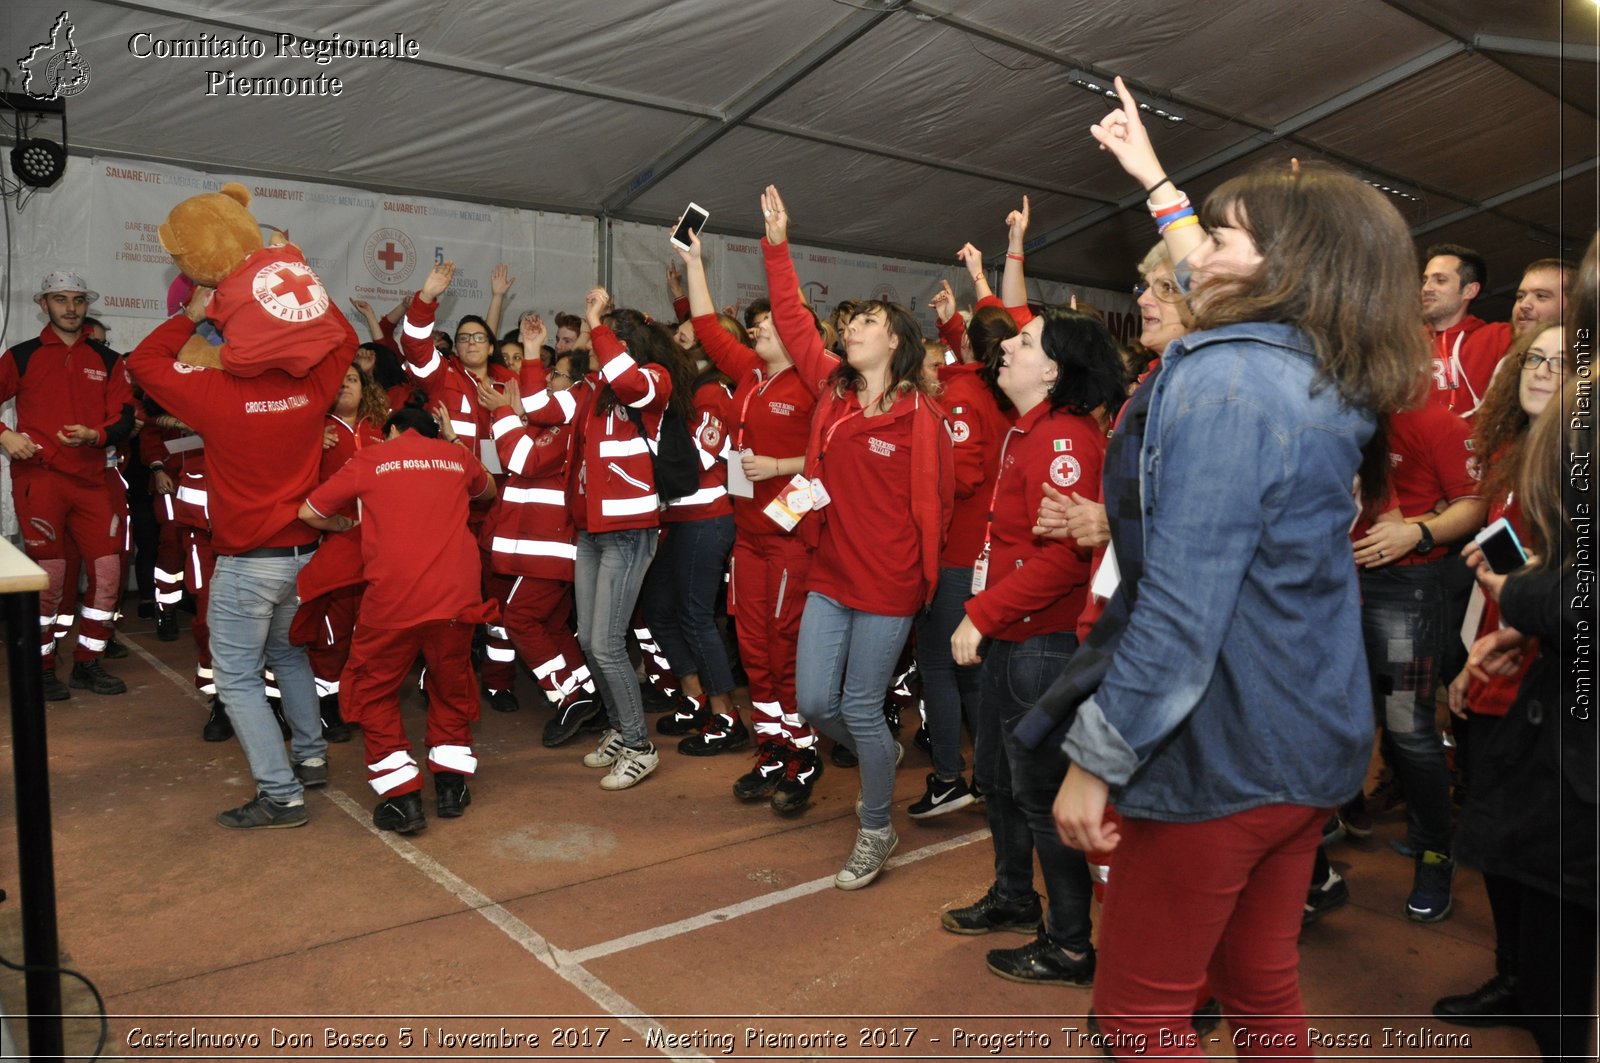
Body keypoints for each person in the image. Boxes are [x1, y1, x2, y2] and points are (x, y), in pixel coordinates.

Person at [1030, 77, 1425, 1055]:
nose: (1197, 251)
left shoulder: (1224, 383)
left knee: (1139, 1015)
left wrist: (1095, 758)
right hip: (1307, 741)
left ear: (1285, 266)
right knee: (1258, 985)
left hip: (1223, 749)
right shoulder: (1320, 363)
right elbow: (1218, 276)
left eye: (1223, 236)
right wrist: (1152, 176)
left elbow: (1181, 607)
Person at [760, 185, 954, 888]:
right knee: (817, 703)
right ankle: (879, 751)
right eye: (851, 322)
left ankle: (876, 825)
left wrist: (924, 581)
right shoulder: (834, 393)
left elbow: (938, 504)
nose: (852, 329)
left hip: (890, 585)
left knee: (863, 707)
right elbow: (791, 317)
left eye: (868, 320)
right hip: (832, 574)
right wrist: (779, 245)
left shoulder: (921, 420)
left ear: (894, 340)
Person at [1435, 233, 1596, 1060]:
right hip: (1509, 660)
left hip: (1554, 682)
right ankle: (1521, 982)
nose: (1538, 366)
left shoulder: (1578, 460)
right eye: (1527, 358)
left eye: (1557, 357)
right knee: (1502, 842)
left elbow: (1564, 585)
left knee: (1552, 872)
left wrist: (1520, 604)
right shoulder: (1512, 457)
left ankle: (1555, 1014)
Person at [127, 268, 357, 830]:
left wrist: (194, 311)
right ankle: (310, 757)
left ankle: (281, 794)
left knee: (236, 678)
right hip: (303, 556)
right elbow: (345, 338)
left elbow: (143, 363)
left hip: (249, 563)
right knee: (288, 655)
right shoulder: (312, 388)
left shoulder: (216, 394)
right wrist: (298, 278)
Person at [945, 306, 1122, 986]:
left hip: (1039, 641)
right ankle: (1015, 895)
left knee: (1041, 792)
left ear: (1052, 369)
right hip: (1015, 637)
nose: (1009, 348)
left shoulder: (1063, 440)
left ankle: (1072, 945)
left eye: (1024, 341)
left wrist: (982, 614)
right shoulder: (1032, 431)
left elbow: (1064, 561)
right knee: (997, 779)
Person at [674, 230, 822, 811]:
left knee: (784, 648)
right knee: (754, 648)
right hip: (749, 539)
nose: (756, 327)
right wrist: (694, 263)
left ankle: (803, 751)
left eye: (767, 323)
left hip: (791, 541)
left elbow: (836, 455)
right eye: (756, 324)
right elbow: (710, 326)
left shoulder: (816, 382)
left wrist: (780, 464)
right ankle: (771, 746)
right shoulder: (748, 375)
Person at [299, 406, 495, 831]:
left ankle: (402, 795)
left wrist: (346, 523)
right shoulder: (456, 456)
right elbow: (489, 490)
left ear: (390, 430)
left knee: (372, 689)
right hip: (457, 597)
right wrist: (453, 439)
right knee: (450, 682)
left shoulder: (370, 458)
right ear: (432, 431)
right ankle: (451, 786)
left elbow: (309, 513)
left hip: (395, 600)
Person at [1349, 397, 1486, 921]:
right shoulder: (1341, 412)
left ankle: (1435, 852)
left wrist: (1418, 531)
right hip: (1336, 581)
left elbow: (1475, 502)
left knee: (1407, 726)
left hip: (1403, 587)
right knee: (1339, 714)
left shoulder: (1435, 421)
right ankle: (1336, 822)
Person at [566, 287, 687, 791]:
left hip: (629, 530)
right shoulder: (595, 386)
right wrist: (532, 358)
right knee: (591, 640)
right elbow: (542, 409)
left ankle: (639, 745)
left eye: (604, 339)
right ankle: (621, 729)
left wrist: (596, 321)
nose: (594, 346)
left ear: (624, 342)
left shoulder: (654, 381)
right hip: (592, 530)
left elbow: (633, 384)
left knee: (609, 643)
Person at [0, 270, 136, 699]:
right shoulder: (21, 356)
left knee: (109, 573)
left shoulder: (108, 360)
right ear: (44, 305)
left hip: (93, 481)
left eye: (77, 300)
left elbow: (125, 418)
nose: (70, 308)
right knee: (50, 578)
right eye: (60, 299)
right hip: (40, 479)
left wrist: (95, 436)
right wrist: (5, 435)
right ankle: (39, 668)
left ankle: (87, 662)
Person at [1420, 244, 1492, 416]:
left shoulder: (1495, 338)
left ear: (1469, 290)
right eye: (1425, 280)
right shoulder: (1404, 344)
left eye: (1440, 280)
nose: (1426, 288)